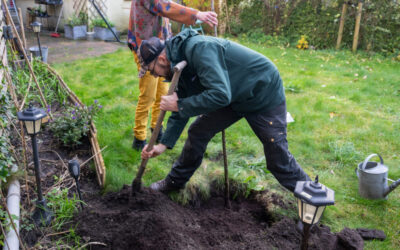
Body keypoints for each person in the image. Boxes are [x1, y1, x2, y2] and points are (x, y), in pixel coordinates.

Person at [139, 29, 311, 193]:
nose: (155, 76)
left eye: (152, 71)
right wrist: (163, 144)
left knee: (278, 160)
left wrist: (180, 105)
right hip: (234, 95)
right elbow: (182, 104)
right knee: (198, 131)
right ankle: (174, 183)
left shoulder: (198, 49)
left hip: (262, 92)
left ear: (161, 58)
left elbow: (219, 95)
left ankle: (314, 196)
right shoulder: (178, 63)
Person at [128, 0, 218, 150]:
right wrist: (197, 14)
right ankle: (139, 137)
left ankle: (157, 130)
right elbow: (164, 6)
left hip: (160, 50)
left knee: (162, 93)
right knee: (148, 96)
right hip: (147, 53)